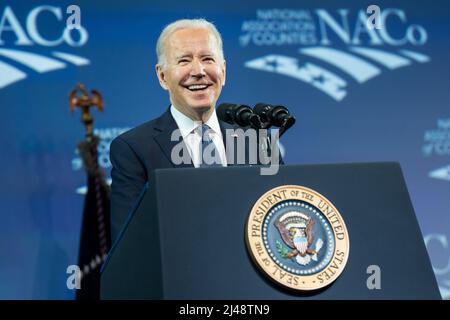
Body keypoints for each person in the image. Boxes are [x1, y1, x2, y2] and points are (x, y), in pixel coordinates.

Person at [109, 19, 281, 243]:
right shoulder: (134, 149)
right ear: (162, 76)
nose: (198, 71)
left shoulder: (255, 138)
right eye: (184, 60)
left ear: (224, 71)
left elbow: (281, 215)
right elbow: (129, 242)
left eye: (207, 59)